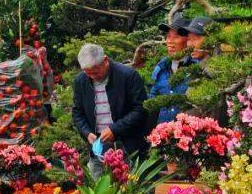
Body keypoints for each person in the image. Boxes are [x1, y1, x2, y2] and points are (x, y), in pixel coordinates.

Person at [71, 44, 148, 179]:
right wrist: (86, 132)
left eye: (95, 72)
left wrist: (115, 129)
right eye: (87, 73)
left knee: (129, 187)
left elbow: (141, 109)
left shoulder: (128, 76)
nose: (92, 76)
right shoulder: (80, 81)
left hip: (127, 144)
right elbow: (77, 112)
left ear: (105, 61)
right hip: (98, 145)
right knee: (98, 189)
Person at [150, 17, 197, 124]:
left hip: (189, 134)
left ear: (188, 40)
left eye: (175, 37)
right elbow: (153, 105)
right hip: (162, 135)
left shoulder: (197, 68)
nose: (169, 42)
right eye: (168, 37)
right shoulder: (160, 68)